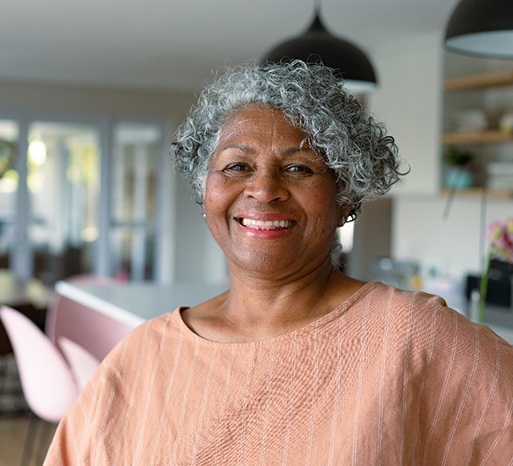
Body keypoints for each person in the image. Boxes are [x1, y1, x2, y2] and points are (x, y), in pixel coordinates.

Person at [44, 60, 513, 465]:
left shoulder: (415, 339)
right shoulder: (143, 355)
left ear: (344, 195)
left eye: (298, 168)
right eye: (236, 166)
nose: (264, 189)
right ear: (204, 192)